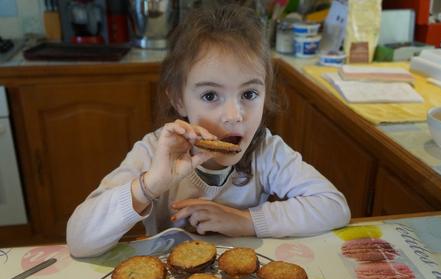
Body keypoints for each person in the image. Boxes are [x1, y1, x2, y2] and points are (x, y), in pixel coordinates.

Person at [67, 5, 350, 258]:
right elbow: (79, 240)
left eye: (249, 93)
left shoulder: (267, 152)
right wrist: (150, 184)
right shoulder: (154, 152)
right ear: (179, 99)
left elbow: (334, 206)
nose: (234, 116)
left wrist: (246, 221)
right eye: (211, 96)